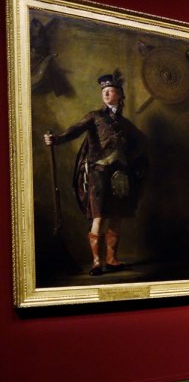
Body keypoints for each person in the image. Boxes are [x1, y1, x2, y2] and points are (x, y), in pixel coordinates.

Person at [44, 71, 147, 276]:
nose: (106, 94)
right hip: (98, 173)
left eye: (110, 91)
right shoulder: (95, 116)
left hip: (120, 175)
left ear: (120, 95)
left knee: (117, 216)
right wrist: (56, 139)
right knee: (99, 216)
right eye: (104, 92)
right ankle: (97, 262)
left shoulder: (125, 124)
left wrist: (130, 159)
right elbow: (75, 130)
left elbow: (142, 141)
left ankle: (112, 259)